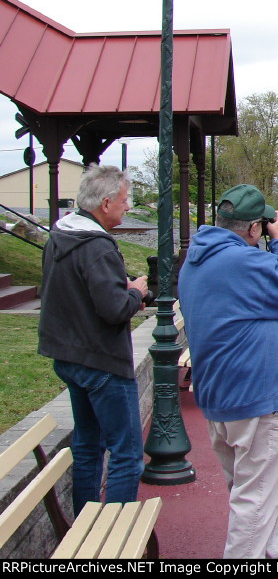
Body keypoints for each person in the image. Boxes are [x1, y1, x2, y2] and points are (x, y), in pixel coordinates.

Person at [177, 184, 278, 559]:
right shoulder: (243, 262)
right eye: (263, 226)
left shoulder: (199, 257)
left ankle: (276, 553)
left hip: (223, 395)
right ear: (254, 229)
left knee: (256, 488)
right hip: (257, 397)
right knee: (255, 498)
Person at [38, 164, 148, 516]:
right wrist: (136, 292)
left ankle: (85, 527)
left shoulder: (60, 237)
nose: (127, 206)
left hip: (69, 356)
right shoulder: (97, 247)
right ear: (105, 203)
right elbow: (114, 310)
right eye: (124, 199)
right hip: (102, 362)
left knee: (87, 445)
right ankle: (113, 536)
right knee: (126, 452)